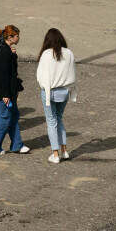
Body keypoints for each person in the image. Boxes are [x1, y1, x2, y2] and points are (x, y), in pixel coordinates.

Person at [36, 28, 77, 163]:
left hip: (49, 92)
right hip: (65, 91)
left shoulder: (46, 54)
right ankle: (64, 150)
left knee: (51, 121)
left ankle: (55, 154)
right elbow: (73, 73)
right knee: (59, 119)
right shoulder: (69, 53)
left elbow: (40, 76)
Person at [0, 25, 29, 156]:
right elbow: (3, 75)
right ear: (10, 37)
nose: (19, 38)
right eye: (17, 36)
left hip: (9, 91)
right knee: (5, 118)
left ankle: (17, 144)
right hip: (6, 93)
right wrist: (5, 94)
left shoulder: (5, 50)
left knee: (13, 116)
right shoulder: (4, 52)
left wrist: (13, 56)